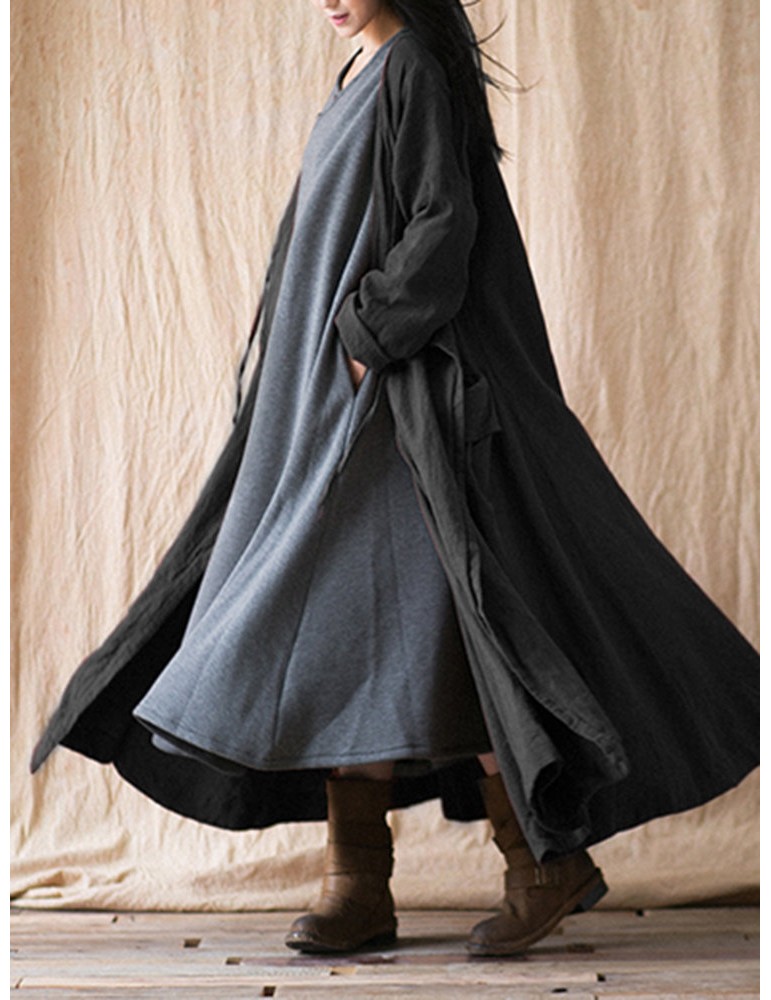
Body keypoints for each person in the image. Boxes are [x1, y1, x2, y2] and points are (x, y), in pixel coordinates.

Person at [29, 0, 759, 960]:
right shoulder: (361, 72)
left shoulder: (410, 63)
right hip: (327, 409)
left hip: (396, 406)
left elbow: (440, 224)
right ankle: (361, 886)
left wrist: (366, 339)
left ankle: (538, 864)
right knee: (354, 633)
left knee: (468, 631)